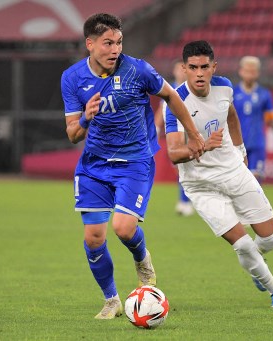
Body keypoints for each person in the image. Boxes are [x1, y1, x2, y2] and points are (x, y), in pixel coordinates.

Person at [61, 13, 205, 320]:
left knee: (123, 228)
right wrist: (86, 116)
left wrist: (193, 134)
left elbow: (170, 95)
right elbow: (73, 134)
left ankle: (142, 260)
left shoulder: (138, 70)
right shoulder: (72, 79)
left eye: (119, 42)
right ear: (90, 44)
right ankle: (111, 300)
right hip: (94, 165)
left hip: (135, 161)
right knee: (93, 238)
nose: (115, 49)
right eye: (108, 43)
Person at [163, 40, 273, 308]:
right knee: (243, 245)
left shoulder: (225, 87)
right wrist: (202, 146)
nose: (199, 73)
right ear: (184, 69)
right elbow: (173, 154)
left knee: (271, 238)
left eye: (204, 67)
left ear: (214, 67)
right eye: (193, 67)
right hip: (200, 184)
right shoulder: (174, 102)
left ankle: (257, 266)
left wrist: (241, 149)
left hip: (233, 170)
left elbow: (231, 114)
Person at [233, 56, 273, 179]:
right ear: (241, 71)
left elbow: (272, 120)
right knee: (237, 181)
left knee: (256, 180)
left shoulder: (264, 94)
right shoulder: (232, 92)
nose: (250, 74)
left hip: (257, 144)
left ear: (257, 73)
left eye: (253, 71)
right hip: (236, 145)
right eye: (247, 70)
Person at [156, 60, 194, 216]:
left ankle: (188, 201)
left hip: (191, 131)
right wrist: (156, 128)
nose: (180, 72)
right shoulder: (168, 88)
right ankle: (185, 201)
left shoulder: (193, 89)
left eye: (183, 69)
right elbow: (161, 110)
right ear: (174, 71)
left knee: (191, 167)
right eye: (178, 69)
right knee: (181, 167)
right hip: (174, 131)